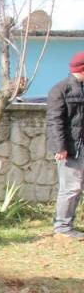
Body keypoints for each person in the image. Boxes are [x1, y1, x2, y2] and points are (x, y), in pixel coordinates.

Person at [47, 51, 84, 240]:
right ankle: (62, 227)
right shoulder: (60, 89)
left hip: (81, 145)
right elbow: (55, 121)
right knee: (70, 188)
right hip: (71, 148)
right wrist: (60, 148)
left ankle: (68, 224)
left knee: (77, 187)